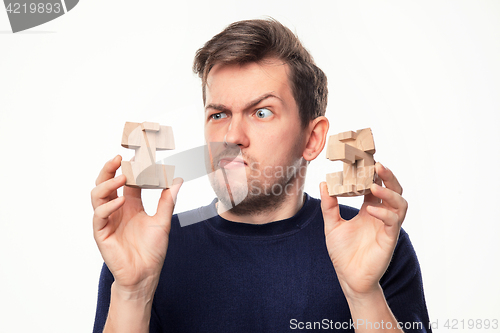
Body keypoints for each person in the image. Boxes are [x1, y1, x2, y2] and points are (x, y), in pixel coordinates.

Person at [91, 19, 431, 333]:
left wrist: (364, 295)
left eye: (262, 112)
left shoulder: (374, 242)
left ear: (312, 139)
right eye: (219, 114)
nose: (233, 136)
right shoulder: (147, 246)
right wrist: (132, 293)